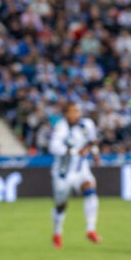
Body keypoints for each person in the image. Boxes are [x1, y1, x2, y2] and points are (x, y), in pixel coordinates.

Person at [48, 102, 102, 249]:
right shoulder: (61, 127)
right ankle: (57, 233)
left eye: (77, 111)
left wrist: (95, 154)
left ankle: (90, 230)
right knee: (61, 205)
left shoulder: (87, 124)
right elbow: (53, 147)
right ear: (66, 114)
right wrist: (74, 151)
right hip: (63, 174)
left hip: (81, 169)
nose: (75, 114)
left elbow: (92, 141)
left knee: (90, 190)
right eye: (72, 111)